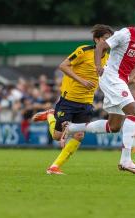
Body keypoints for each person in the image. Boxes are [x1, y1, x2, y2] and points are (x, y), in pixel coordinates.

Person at [61, 13, 135, 174]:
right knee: (134, 112)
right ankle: (126, 160)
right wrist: (98, 66)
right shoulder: (125, 34)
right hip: (111, 77)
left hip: (119, 81)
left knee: (114, 126)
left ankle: (72, 128)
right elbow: (101, 46)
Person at [31, 24, 114, 175]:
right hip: (69, 100)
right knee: (57, 136)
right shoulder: (83, 51)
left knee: (79, 134)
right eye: (106, 38)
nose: (109, 41)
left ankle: (54, 167)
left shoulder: (108, 57)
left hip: (87, 102)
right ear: (96, 40)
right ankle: (50, 115)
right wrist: (81, 80)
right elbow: (63, 66)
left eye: (111, 39)